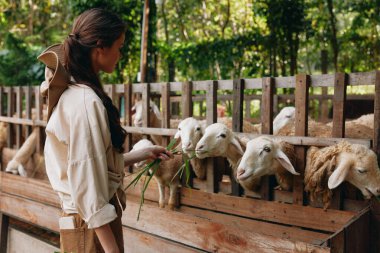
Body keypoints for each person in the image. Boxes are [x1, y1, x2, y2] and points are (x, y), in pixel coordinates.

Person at [38, 8, 172, 253]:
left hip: (86, 223)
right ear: (100, 47)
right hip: (92, 227)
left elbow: (91, 164)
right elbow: (88, 186)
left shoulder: (74, 93)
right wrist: (113, 250)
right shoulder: (85, 102)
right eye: (119, 47)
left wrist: (142, 154)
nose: (120, 55)